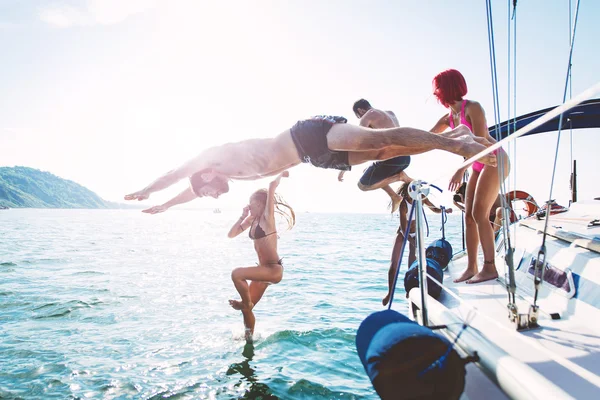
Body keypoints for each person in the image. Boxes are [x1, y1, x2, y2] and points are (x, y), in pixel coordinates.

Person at [125, 115, 496, 211]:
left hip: (307, 135)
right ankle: (459, 136)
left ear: (203, 175)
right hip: (313, 156)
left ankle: (456, 146)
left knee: (384, 139)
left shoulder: (214, 157)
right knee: (388, 153)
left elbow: (178, 174)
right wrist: (164, 206)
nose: (212, 196)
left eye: (207, 192)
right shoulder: (234, 178)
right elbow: (188, 192)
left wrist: (147, 188)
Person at [430, 69, 510, 284]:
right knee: (468, 216)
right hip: (475, 165)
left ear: (446, 88)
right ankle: (472, 266)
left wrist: (460, 169)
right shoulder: (449, 117)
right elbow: (428, 136)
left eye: (437, 88)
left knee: (479, 214)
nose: (435, 92)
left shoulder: (473, 107)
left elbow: (480, 146)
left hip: (493, 160)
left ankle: (490, 267)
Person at [226, 171, 295, 341]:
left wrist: (282, 173)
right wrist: (243, 216)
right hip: (262, 270)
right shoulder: (253, 220)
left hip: (273, 270)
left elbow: (272, 186)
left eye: (252, 203)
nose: (249, 206)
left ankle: (245, 302)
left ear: (261, 204)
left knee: (237, 274)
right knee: (246, 310)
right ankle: (249, 337)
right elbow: (231, 234)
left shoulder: (266, 218)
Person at [337, 99, 413, 213]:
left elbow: (357, 142)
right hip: (405, 157)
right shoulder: (390, 113)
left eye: (358, 116)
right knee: (368, 171)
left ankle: (399, 177)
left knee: (363, 185)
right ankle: (394, 196)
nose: (360, 119)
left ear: (360, 110)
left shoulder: (367, 116)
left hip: (392, 159)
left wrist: (344, 167)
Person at [382, 182, 450, 306]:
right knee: (394, 265)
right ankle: (390, 292)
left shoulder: (421, 198)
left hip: (415, 234)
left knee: (412, 266)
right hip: (403, 234)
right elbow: (403, 228)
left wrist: (444, 210)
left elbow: (434, 208)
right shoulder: (403, 204)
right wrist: (413, 242)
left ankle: (409, 289)